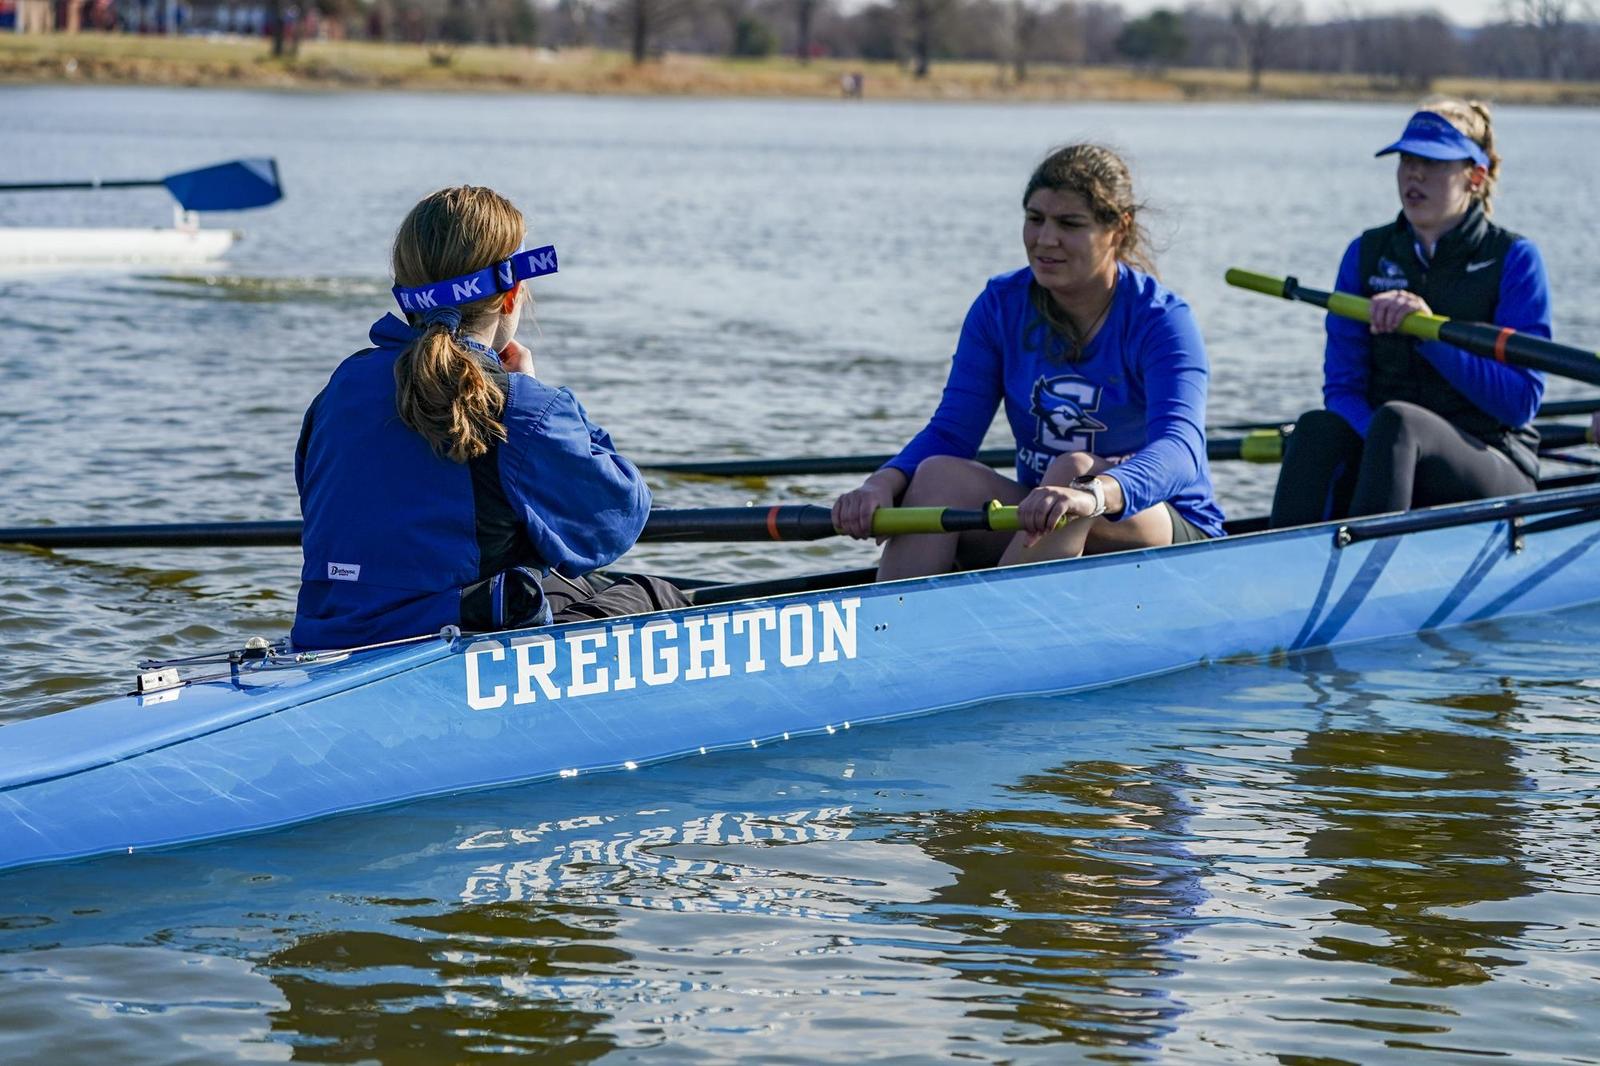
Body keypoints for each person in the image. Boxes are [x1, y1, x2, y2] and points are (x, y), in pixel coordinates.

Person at [292, 186, 685, 649]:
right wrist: (537, 396)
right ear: (511, 293)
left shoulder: (342, 386)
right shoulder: (522, 406)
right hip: (445, 641)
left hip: (327, 633)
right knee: (655, 594)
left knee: (555, 585)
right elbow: (614, 523)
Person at [831, 143, 1225, 580]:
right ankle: (891, 628)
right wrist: (881, 484)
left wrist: (1097, 494)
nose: (1044, 239)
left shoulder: (1162, 321)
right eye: (1034, 219)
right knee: (938, 475)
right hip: (1048, 519)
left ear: (1117, 228)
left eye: (1069, 224)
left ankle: (998, 628)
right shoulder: (1000, 306)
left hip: (1167, 527)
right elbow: (951, 432)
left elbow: (1180, 450)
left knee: (1073, 469)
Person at [1269, 100, 1551, 528]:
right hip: (1392, 450)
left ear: (1475, 176)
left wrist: (1429, 335)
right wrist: (1380, 445)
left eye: (1433, 163)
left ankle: (1370, 580)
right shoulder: (1367, 253)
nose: (1414, 174)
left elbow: (1520, 403)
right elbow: (1343, 389)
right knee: (1315, 430)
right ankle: (1268, 576)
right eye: (1407, 160)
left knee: (1401, 421)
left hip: (1492, 457)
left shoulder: (1513, 259)